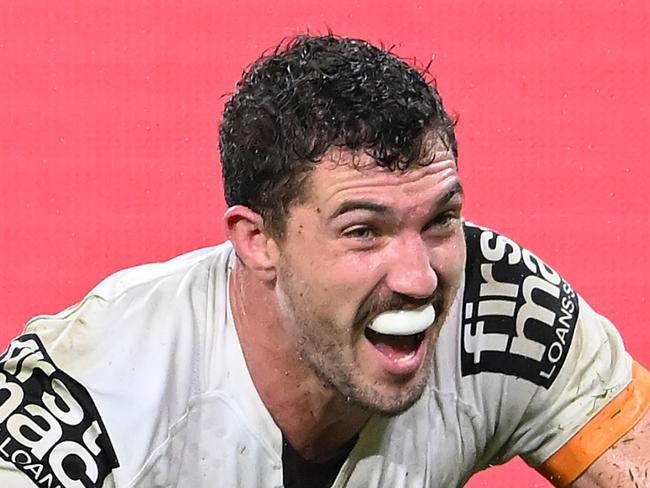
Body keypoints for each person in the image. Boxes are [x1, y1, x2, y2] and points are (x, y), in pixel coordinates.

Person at [0, 34, 648, 488]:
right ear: (258, 242)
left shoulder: (501, 313)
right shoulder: (88, 402)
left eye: (440, 221)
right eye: (363, 231)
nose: (419, 277)